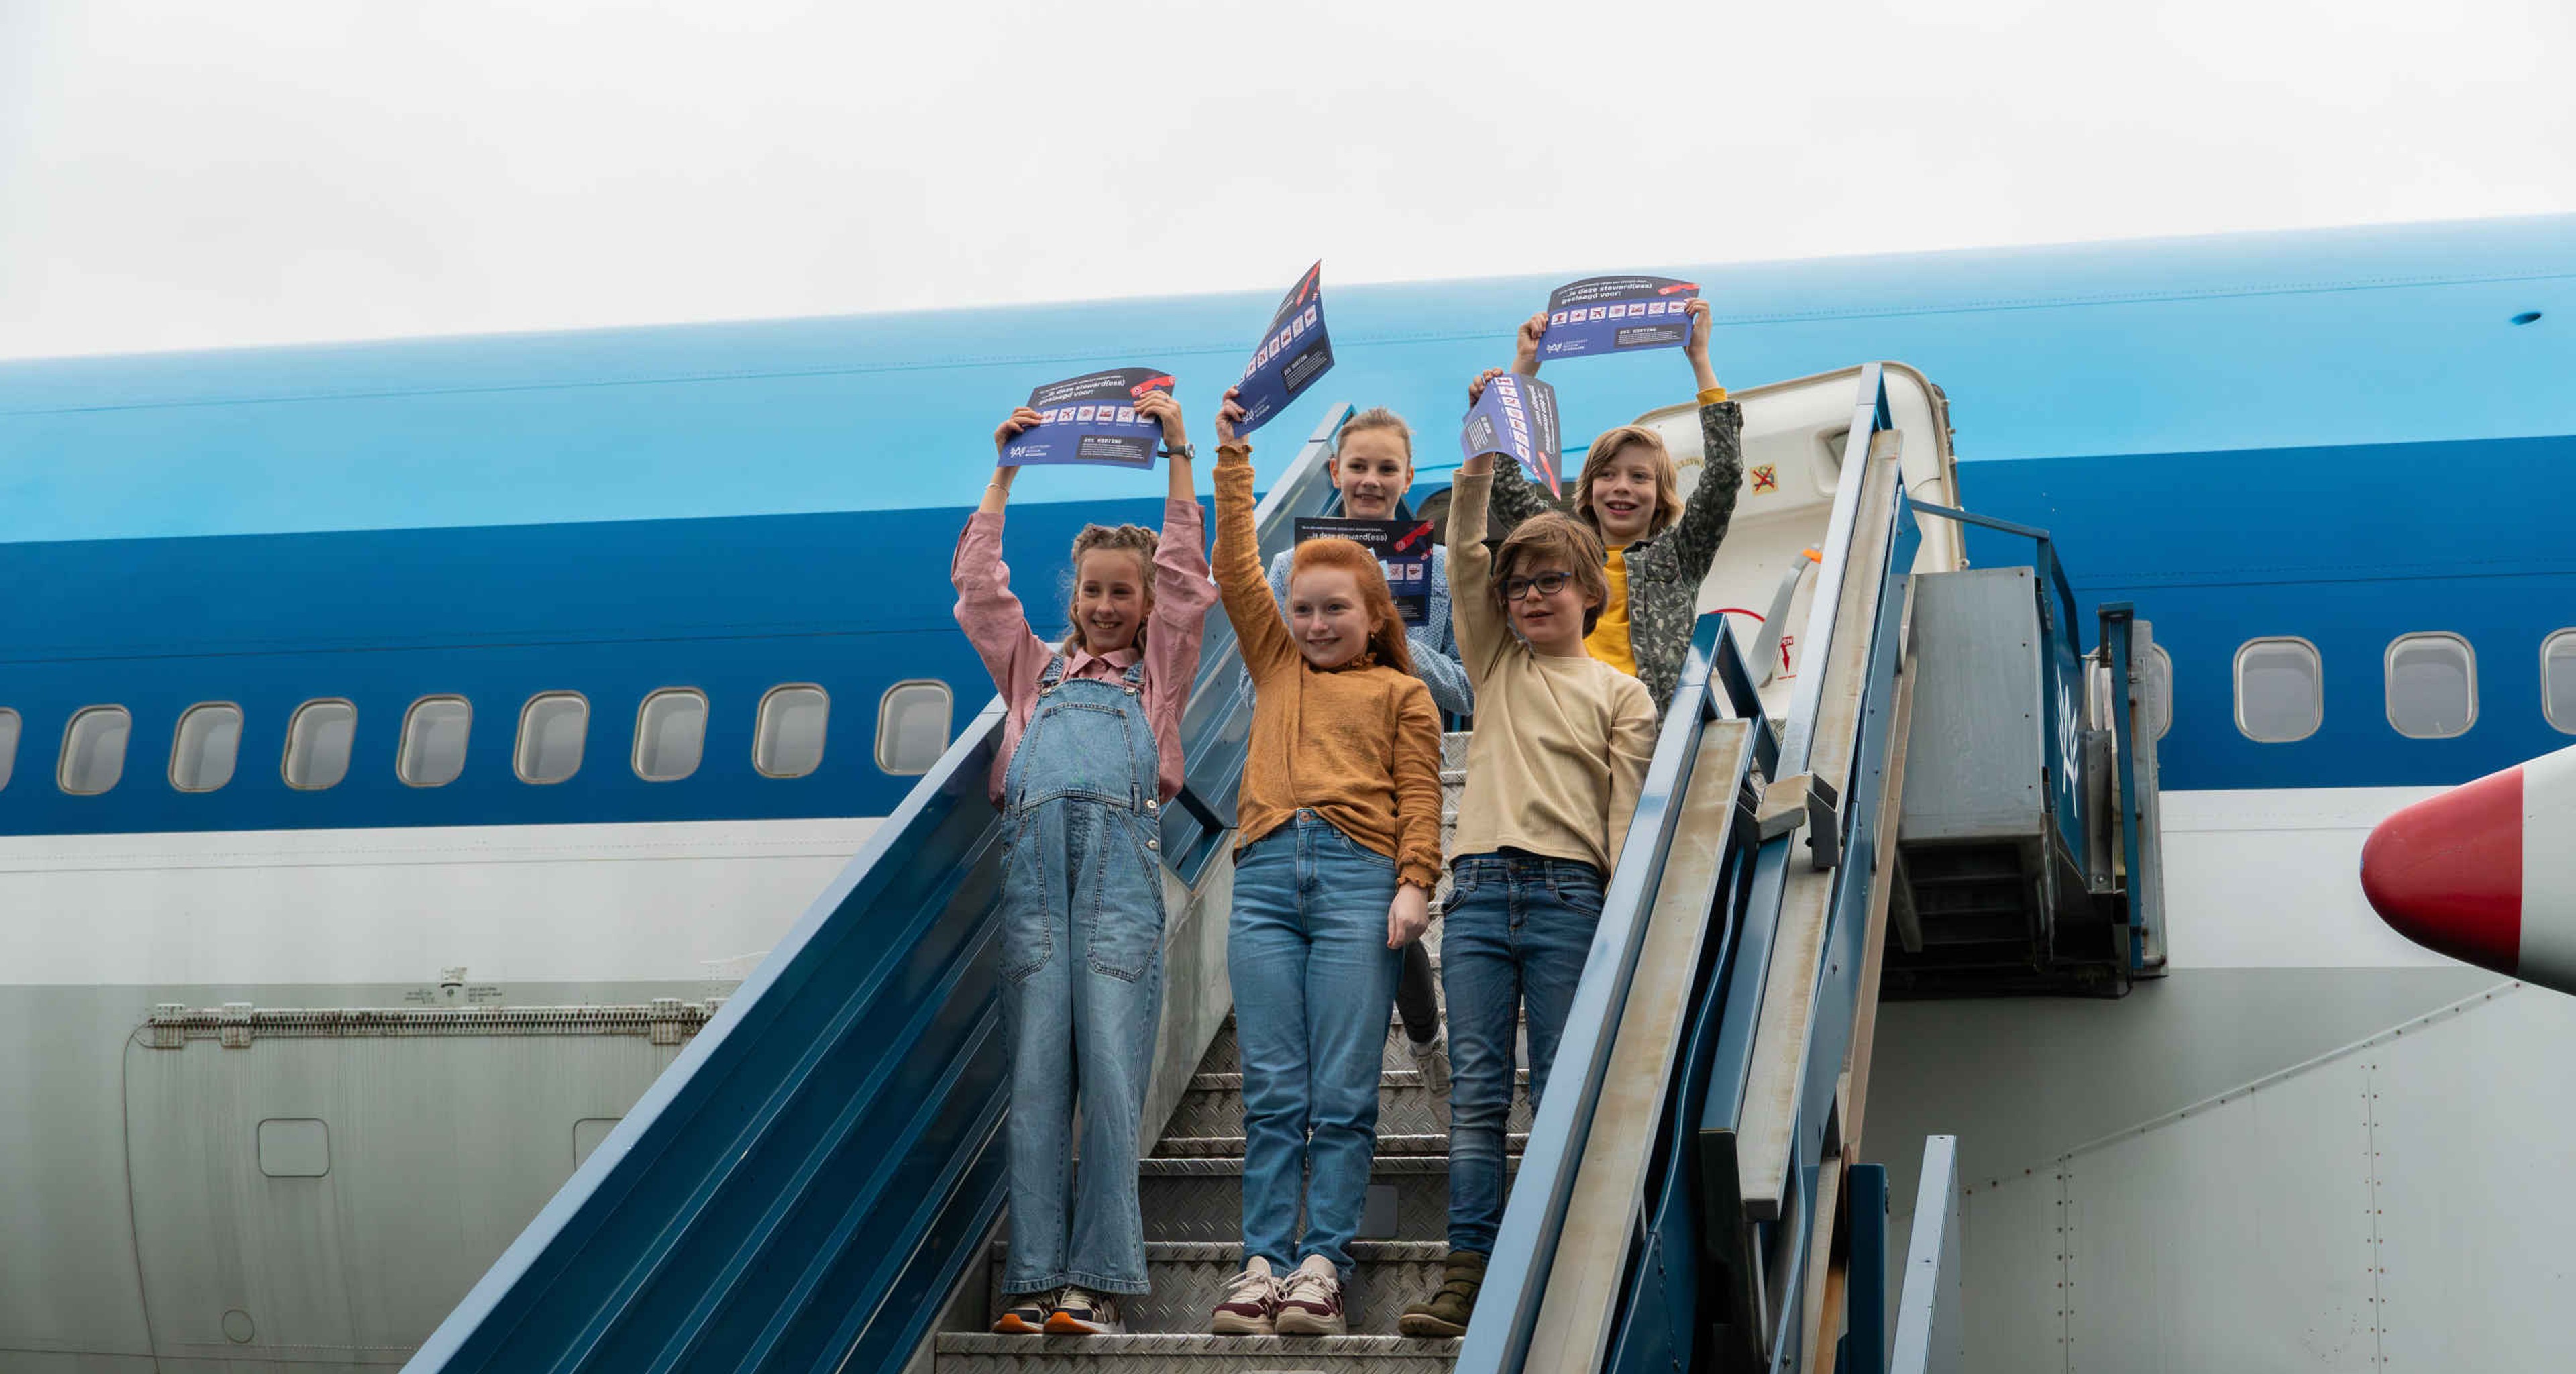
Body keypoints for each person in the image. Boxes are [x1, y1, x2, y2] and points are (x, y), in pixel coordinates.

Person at [952, 390, 1216, 1338]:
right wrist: (1005, 472)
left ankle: (1094, 1284)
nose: (1105, 606)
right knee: (1033, 1083)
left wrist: (1180, 450)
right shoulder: (1033, 671)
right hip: (1032, 889)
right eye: (1092, 590)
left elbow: (1190, 570)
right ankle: (1032, 1282)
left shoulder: (1159, 678)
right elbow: (980, 591)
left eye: (1123, 593)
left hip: (1115, 888)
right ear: (1074, 596)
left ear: (1146, 607)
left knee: (1109, 1074)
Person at [1398, 435, 1658, 1340]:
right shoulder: (1497, 666)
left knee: (1556, 1086)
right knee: (1477, 1094)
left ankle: (1547, 1264)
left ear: (1592, 593)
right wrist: (1472, 478)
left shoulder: (1622, 694)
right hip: (1474, 896)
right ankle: (1467, 1274)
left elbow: (1626, 818)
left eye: (1552, 581)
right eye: (1519, 586)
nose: (1532, 596)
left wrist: (1628, 911)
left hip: (1568, 897)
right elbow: (1467, 563)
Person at [1204, 387, 1444, 1338]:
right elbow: (1235, 575)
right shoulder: (1277, 668)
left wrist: (1415, 884)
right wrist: (1231, 459)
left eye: (1333, 608)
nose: (1312, 623)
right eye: (1301, 609)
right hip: (1263, 880)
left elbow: (1421, 798)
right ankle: (1261, 1261)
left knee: (1342, 1094)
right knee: (1273, 1088)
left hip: (1357, 882)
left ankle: (1322, 1265)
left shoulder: (1403, 692)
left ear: (1372, 609)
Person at [1242, 406, 1464, 1099]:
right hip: (1318, 767)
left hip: (1404, 754)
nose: (1370, 480)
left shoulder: (1441, 569)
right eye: (1358, 466)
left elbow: (1464, 684)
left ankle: (1425, 1037)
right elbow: (1276, 672)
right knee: (1362, 924)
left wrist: (1384, 626)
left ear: (1406, 477)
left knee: (1394, 918)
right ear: (1335, 471)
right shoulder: (1289, 566)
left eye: (1386, 468)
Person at [1467, 297, 1746, 715]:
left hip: (1650, 726)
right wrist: (1525, 367)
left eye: (1639, 477)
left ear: (1661, 493)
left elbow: (1724, 474)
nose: (1622, 488)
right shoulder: (1561, 549)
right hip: (1568, 717)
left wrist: (1700, 358)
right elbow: (1504, 481)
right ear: (1588, 487)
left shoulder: (1679, 555)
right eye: (1607, 475)